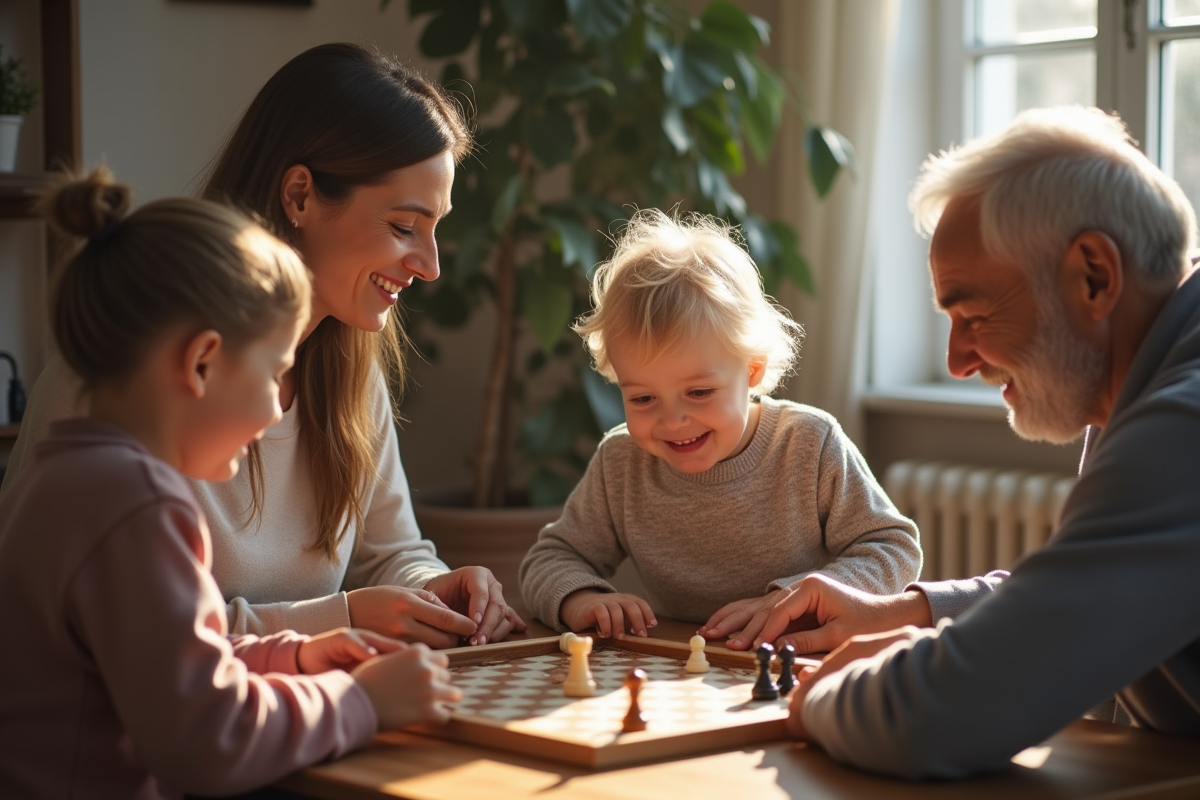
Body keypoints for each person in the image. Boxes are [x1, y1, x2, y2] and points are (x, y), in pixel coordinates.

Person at [1, 43, 524, 647]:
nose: (430, 267)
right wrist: (341, 620)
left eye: (437, 229)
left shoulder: (346, 359)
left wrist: (435, 587)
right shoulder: (125, 372)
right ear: (299, 196)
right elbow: (115, 635)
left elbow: (389, 554)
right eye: (404, 227)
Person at [749, 106, 1200, 779]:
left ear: (1095, 276)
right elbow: (1094, 592)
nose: (959, 360)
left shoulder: (1182, 427)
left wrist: (814, 697)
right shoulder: (1146, 382)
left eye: (974, 314)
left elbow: (942, 715)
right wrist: (912, 611)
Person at [0, 168, 461, 798]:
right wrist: (357, 702)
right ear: (201, 363)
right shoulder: (136, 502)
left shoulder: (64, 478)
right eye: (273, 375)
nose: (278, 410)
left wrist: (295, 656)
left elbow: (179, 660)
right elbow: (206, 739)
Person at [518, 209, 922, 639]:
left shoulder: (809, 444)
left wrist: (798, 596)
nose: (672, 421)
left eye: (698, 392)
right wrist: (581, 599)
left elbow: (894, 550)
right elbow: (549, 559)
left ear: (751, 370)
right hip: (680, 674)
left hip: (797, 663)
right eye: (642, 398)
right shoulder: (621, 462)